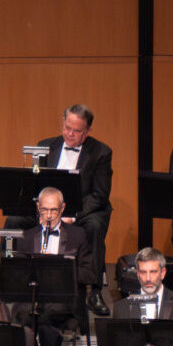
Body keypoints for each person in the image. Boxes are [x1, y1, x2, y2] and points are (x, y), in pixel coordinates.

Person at [35, 104, 113, 312]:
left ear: (87, 131)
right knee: (15, 221)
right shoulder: (45, 146)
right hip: (47, 208)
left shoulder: (101, 152)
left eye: (76, 130)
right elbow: (35, 185)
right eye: (67, 127)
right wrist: (46, 210)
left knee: (95, 226)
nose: (70, 133)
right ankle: (16, 282)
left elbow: (99, 195)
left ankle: (93, 291)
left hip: (82, 210)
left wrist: (72, 215)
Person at [13, 188, 88, 346]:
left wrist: (62, 274)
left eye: (53, 210)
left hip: (62, 300)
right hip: (33, 298)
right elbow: (18, 273)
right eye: (44, 210)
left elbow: (89, 273)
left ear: (62, 209)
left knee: (48, 318)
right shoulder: (27, 237)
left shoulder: (78, 235)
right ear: (38, 208)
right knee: (28, 319)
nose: (48, 216)